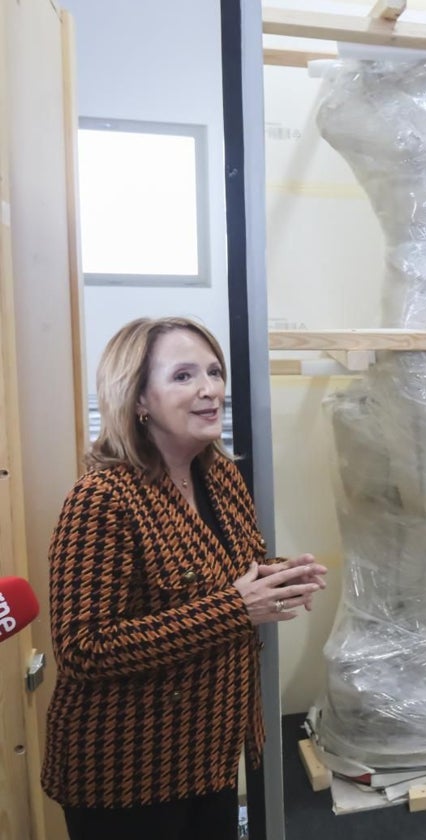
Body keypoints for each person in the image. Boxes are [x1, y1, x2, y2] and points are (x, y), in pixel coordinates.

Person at [40, 317, 327, 840]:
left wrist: (277, 577)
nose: (210, 389)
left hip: (208, 753)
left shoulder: (217, 472)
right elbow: (84, 647)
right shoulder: (103, 498)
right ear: (139, 399)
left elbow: (232, 571)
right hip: (125, 774)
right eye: (183, 376)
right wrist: (237, 608)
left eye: (214, 372)